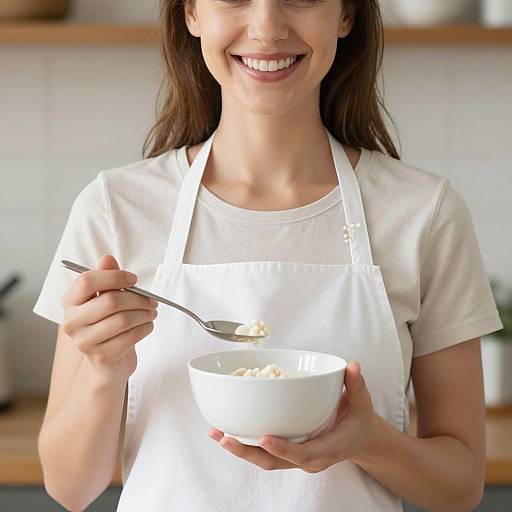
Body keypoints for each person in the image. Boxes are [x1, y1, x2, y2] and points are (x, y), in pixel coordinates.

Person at [33, 0, 503, 510]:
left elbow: (460, 487)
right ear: (191, 14)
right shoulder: (114, 208)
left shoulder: (423, 214)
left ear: (346, 15)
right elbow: (69, 487)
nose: (267, 28)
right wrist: (105, 370)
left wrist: (370, 442)